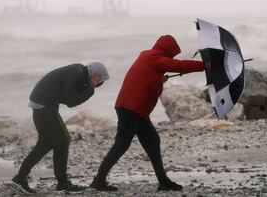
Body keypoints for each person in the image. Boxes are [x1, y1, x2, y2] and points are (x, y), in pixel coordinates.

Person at [90, 35, 210, 192]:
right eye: (171, 54)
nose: (171, 57)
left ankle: (163, 181)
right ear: (166, 50)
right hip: (131, 108)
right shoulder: (154, 57)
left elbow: (144, 80)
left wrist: (158, 80)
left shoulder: (148, 56)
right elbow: (179, 65)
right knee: (121, 144)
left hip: (136, 109)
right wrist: (204, 65)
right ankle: (98, 180)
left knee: (152, 142)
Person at [12, 62, 109, 194]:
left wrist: (88, 87)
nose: (98, 85)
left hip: (44, 104)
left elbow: (67, 97)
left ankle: (21, 177)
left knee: (47, 143)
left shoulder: (79, 73)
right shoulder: (76, 75)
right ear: (94, 75)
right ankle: (62, 183)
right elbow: (71, 101)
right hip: (43, 105)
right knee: (63, 141)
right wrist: (90, 88)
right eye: (98, 82)